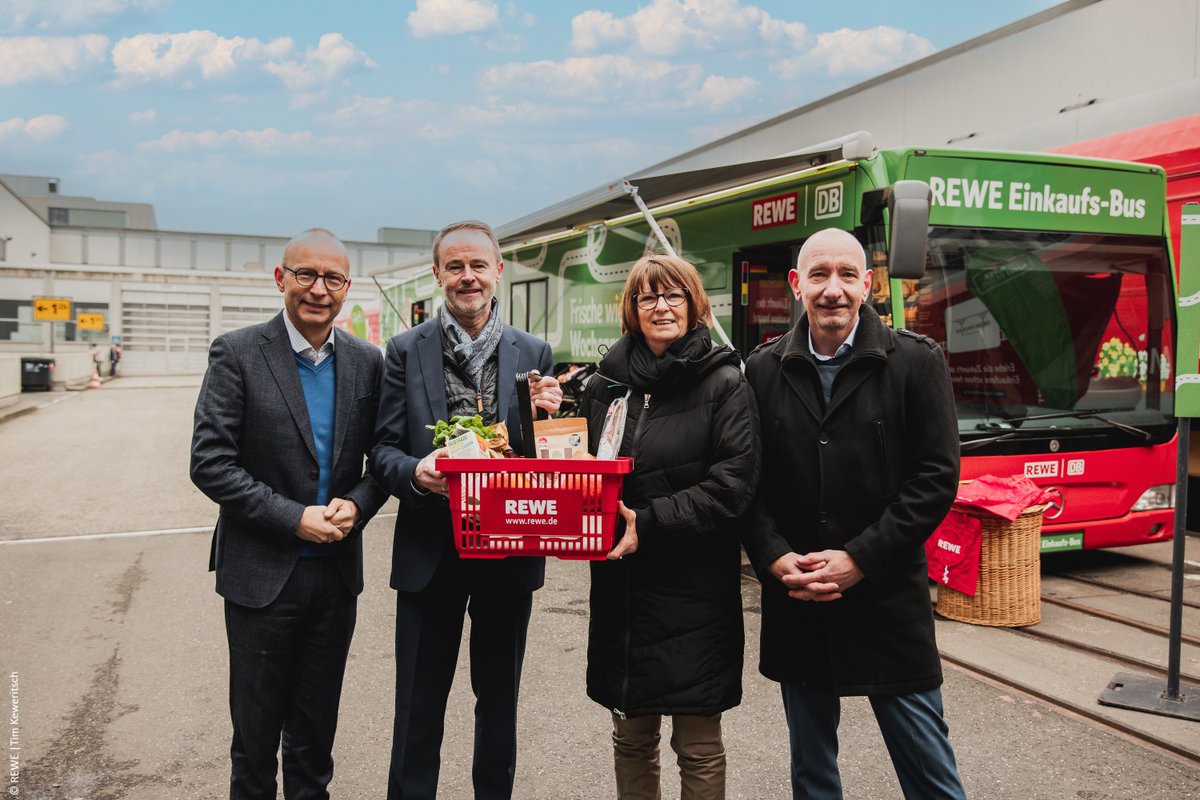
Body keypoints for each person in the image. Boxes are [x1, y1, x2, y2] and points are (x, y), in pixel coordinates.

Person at [743, 227, 966, 800]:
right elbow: (747, 484)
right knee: (813, 776)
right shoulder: (763, 370)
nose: (833, 290)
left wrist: (859, 559)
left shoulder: (916, 363)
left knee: (931, 775)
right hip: (798, 598)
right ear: (797, 285)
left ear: (869, 285)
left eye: (847, 275)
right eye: (819, 275)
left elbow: (935, 479)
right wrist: (772, 558)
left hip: (887, 603)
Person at [190, 227, 388, 800]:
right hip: (261, 578)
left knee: (314, 737)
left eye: (332, 278)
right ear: (281, 279)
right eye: (306, 274)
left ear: (346, 288)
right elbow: (210, 463)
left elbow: (382, 461)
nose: (318, 289)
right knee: (254, 743)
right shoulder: (238, 353)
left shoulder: (366, 362)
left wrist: (357, 503)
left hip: (333, 578)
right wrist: (292, 517)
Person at [371, 220, 564, 800]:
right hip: (431, 553)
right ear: (437, 275)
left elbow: (543, 457)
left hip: (508, 555)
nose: (467, 276)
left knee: (499, 703)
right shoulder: (405, 351)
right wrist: (416, 476)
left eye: (478, 265)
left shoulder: (533, 352)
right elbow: (381, 450)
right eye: (454, 266)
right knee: (417, 707)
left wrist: (548, 419)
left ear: (498, 271)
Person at [581, 254, 761, 800]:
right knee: (631, 736)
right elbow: (578, 469)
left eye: (673, 295)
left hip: (694, 593)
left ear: (694, 304)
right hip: (622, 590)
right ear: (632, 311)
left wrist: (651, 522)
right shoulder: (603, 387)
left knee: (698, 743)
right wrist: (537, 415)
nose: (661, 306)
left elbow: (734, 486)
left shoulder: (726, 384)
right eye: (647, 297)